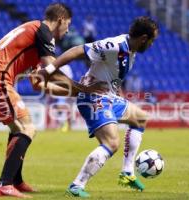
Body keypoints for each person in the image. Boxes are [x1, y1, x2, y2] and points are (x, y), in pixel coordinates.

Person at [0, 3, 105, 198]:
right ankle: (4, 184)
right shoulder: (43, 31)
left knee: (18, 128)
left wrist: (77, 93)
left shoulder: (33, 36)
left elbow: (38, 84)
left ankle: (15, 181)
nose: (67, 31)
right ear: (61, 20)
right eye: (68, 24)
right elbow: (53, 71)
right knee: (28, 128)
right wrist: (83, 88)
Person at [38, 16, 159, 197]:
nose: (151, 45)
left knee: (140, 117)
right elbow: (77, 50)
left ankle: (127, 173)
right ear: (143, 38)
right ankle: (77, 185)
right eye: (151, 40)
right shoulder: (114, 46)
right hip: (93, 97)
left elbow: (112, 79)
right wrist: (47, 70)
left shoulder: (130, 51)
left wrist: (121, 98)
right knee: (111, 143)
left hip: (109, 97)